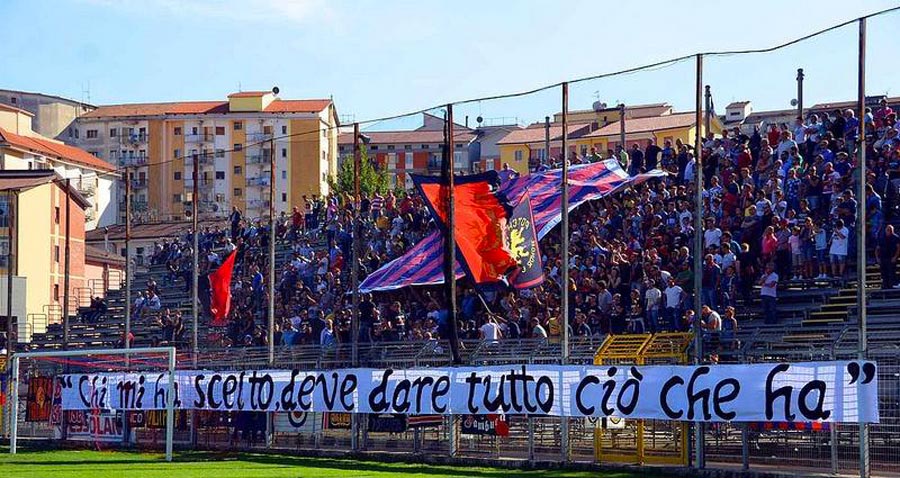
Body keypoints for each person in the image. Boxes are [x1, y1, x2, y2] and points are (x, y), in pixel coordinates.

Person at [876, 224, 900, 289]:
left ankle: (891, 285)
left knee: (891, 272)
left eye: (890, 230)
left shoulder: (896, 238)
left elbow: (898, 248)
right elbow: (877, 248)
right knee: (884, 273)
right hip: (883, 257)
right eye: (888, 230)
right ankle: (885, 285)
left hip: (891, 257)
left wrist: (895, 257)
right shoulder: (881, 238)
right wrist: (877, 257)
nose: (889, 231)